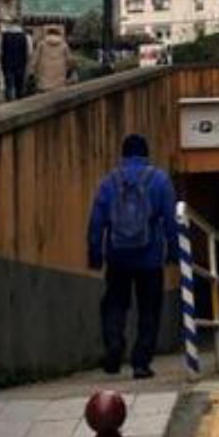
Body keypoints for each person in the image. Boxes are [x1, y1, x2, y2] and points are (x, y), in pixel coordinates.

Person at [87, 134, 179, 379]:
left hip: (117, 257)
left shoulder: (109, 181)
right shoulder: (160, 180)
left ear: (123, 154)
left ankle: (114, 346)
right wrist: (173, 250)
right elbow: (171, 219)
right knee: (149, 309)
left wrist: (95, 253)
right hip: (150, 258)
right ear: (146, 154)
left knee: (114, 304)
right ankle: (141, 363)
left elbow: (96, 220)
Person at [31, 24, 73, 92]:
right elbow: (70, 60)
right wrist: (68, 69)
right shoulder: (64, 45)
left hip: (44, 77)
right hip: (60, 78)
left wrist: (33, 71)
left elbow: (35, 59)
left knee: (45, 94)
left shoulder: (41, 44)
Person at [0, 21, 31, 101]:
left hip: (7, 62)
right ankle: (19, 99)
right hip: (21, 62)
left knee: (9, 84)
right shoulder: (25, 36)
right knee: (19, 84)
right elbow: (29, 52)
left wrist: (2, 60)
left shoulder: (5, 36)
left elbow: (1, 50)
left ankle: (9, 99)